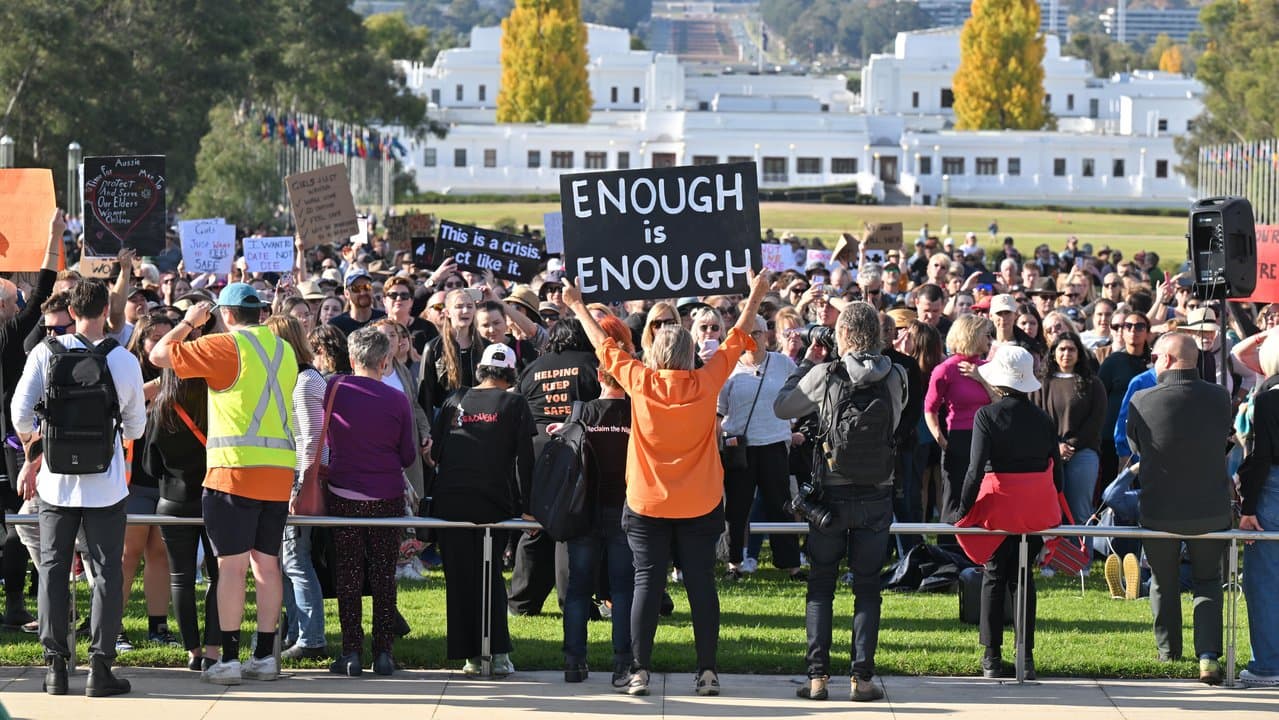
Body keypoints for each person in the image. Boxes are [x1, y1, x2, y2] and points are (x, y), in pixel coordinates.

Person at [562, 270, 772, 698]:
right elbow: (737, 334)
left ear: (655, 353)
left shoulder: (640, 381)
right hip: (700, 503)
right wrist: (756, 294)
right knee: (701, 586)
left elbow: (603, 345)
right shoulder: (708, 381)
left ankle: (638, 671)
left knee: (645, 584)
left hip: (647, 504)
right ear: (692, 352)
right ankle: (708, 672)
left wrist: (577, 305)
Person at [150, 283, 298, 686]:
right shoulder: (283, 349)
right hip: (278, 470)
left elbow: (158, 355)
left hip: (234, 471)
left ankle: (228, 659)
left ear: (227, 315)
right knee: (268, 565)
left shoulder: (225, 346)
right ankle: (266, 655)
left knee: (231, 569)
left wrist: (187, 322)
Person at [11, 278, 145, 697]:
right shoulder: (122, 360)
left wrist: (40, 443)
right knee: (107, 573)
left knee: (52, 570)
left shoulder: (44, 353)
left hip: (55, 484)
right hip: (105, 485)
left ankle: (55, 667)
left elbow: (20, 416)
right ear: (106, 311)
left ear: (71, 311)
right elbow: (137, 425)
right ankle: (100, 665)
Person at [773, 302, 906, 703]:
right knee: (867, 588)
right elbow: (896, 423)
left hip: (830, 493)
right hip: (877, 493)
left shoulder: (825, 373)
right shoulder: (896, 375)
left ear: (842, 335)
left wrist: (802, 363)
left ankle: (818, 679)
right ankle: (862, 680)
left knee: (821, 587)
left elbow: (783, 407)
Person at [951, 345, 1063, 679]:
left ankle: (991, 658)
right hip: (1034, 506)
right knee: (1023, 577)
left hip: (999, 503)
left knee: (994, 574)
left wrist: (963, 508)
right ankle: (1025, 658)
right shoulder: (1043, 418)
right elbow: (1055, 471)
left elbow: (974, 470)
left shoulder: (987, 415)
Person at [1126, 332, 1232, 684]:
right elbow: (1224, 440)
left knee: (1162, 581)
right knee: (1208, 581)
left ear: (1169, 360)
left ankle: (1168, 652)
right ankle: (1208, 658)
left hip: (1160, 509)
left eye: (1156, 356)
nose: (1153, 361)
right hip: (1210, 508)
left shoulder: (1142, 398)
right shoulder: (1220, 397)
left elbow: (1134, 445)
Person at [430, 343, 536, 677]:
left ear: (481, 370)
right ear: (510, 374)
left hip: (449, 501)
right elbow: (525, 462)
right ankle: (497, 654)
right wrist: (530, 509)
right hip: (491, 502)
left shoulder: (453, 399)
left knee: (459, 579)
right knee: (489, 578)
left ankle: (471, 657)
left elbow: (436, 454)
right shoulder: (516, 402)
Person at [323, 327, 418, 677]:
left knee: (347, 576)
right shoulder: (397, 400)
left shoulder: (332, 388)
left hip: (343, 492)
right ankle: (383, 653)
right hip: (385, 496)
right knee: (383, 576)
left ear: (351, 359)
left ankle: (350, 652)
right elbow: (408, 455)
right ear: (385, 360)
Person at [558, 314, 636, 686]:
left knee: (578, 589)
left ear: (599, 375)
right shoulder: (637, 413)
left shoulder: (582, 412)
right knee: (622, 590)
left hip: (586, 509)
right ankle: (623, 661)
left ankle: (574, 661)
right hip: (623, 509)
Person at [508, 319, 600, 616]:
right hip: (575, 451)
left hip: (535, 453)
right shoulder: (591, 364)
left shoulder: (533, 367)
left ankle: (522, 601)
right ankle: (573, 601)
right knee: (570, 529)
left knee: (534, 527)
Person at [0, 209, 64, 630]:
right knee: (19, 525)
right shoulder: (7, 338)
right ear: (5, 308)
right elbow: (42, 291)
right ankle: (17, 605)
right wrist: (54, 236)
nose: (21, 305)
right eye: (14, 302)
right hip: (11, 448)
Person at [145, 369, 221, 671]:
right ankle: (214, 648)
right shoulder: (216, 404)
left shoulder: (161, 409)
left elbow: (150, 465)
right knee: (219, 576)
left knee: (181, 578)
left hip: (173, 500)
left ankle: (193, 650)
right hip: (214, 496)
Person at [264, 315, 328, 660]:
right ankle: (296, 631)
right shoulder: (296, 378)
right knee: (287, 561)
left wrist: (299, 487)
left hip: (300, 482)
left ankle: (311, 636)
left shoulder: (304, 381)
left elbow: (312, 439)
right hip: (290, 479)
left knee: (295, 560)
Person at [720, 314, 803, 581]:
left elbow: (798, 397)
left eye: (757, 333)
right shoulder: (728, 367)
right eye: (747, 334)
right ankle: (734, 563)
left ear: (767, 334)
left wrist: (789, 426)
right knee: (737, 508)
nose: (752, 339)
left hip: (774, 443)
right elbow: (718, 411)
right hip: (740, 448)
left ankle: (791, 565)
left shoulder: (782, 363)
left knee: (781, 505)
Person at [1032, 331, 1107, 561]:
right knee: (1049, 510)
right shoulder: (1041, 383)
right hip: (1048, 454)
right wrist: (1055, 445)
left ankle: (1081, 560)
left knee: (1080, 509)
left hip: (1083, 453)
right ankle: (1051, 560)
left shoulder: (1093, 383)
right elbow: (1035, 418)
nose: (1066, 354)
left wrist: (1070, 445)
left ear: (1079, 353)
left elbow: (1096, 421)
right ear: (1053, 352)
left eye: (1071, 349)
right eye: (1062, 349)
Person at [1235, 334, 1279, 687]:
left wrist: (1248, 507)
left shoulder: (1268, 399)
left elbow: (1260, 456)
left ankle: (1267, 665)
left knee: (1265, 581)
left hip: (1273, 489)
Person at [924, 315, 994, 532]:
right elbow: (930, 408)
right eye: (986, 334)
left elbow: (1000, 402)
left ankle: (979, 549)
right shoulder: (945, 369)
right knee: (954, 494)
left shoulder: (988, 367)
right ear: (972, 335)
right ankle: (949, 548)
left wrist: (980, 378)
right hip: (957, 438)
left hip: (986, 438)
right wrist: (940, 438)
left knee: (982, 494)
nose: (990, 339)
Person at [418, 288, 490, 415]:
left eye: (469, 306)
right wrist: (427, 431)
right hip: (446, 419)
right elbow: (425, 395)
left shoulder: (486, 346)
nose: (465, 311)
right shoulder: (433, 347)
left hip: (480, 416)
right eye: (459, 306)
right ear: (447, 312)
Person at [328, 269, 386, 335]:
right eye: (356, 289)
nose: (363, 293)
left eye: (367, 287)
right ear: (347, 294)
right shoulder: (336, 326)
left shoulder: (384, 320)